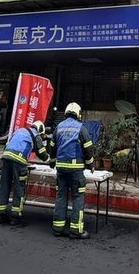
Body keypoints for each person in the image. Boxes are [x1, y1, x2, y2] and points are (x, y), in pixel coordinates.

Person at [49, 102, 94, 239]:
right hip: (76, 170)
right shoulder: (81, 128)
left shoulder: (59, 127)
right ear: (78, 114)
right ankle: (76, 230)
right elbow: (88, 148)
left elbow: (52, 147)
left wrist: (52, 162)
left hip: (61, 168)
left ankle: (58, 228)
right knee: (78, 197)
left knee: (61, 196)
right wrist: (90, 165)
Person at [0, 120, 50, 226]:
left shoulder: (19, 131)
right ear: (40, 130)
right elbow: (42, 153)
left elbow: (7, 145)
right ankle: (15, 217)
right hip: (19, 162)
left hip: (6, 159)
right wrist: (51, 162)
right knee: (19, 188)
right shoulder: (35, 134)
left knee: (4, 186)